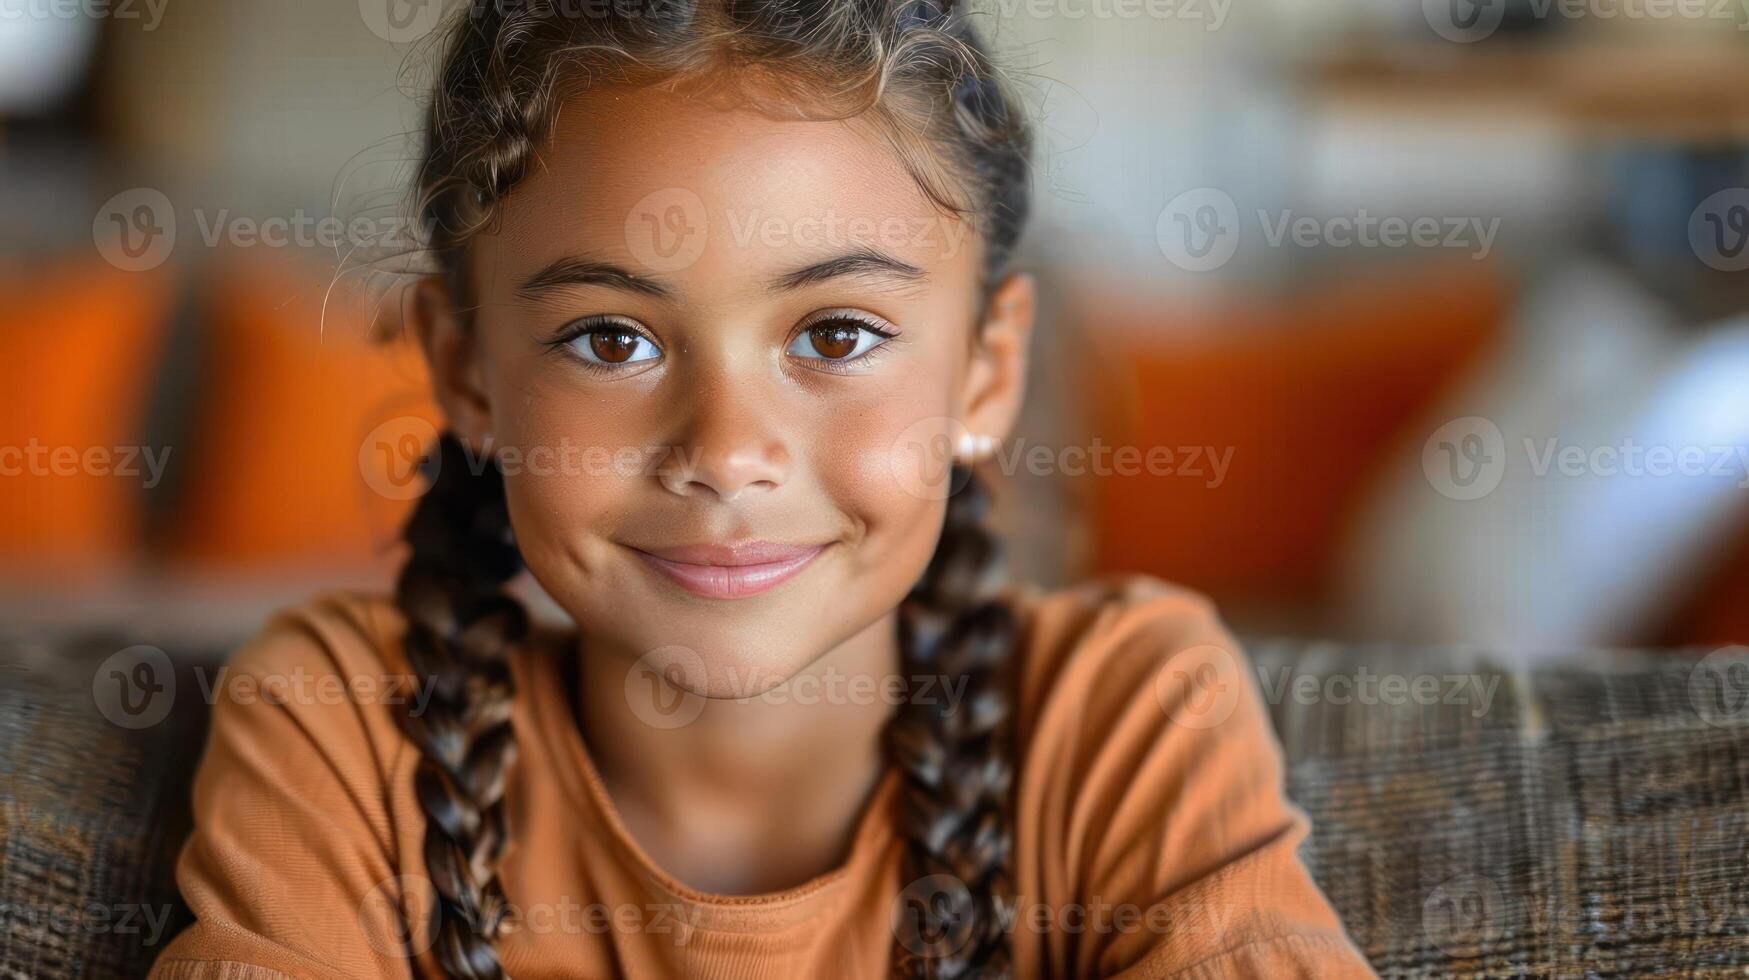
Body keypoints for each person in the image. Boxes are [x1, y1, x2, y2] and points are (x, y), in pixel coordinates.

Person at [149, 0, 1374, 975]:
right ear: (467, 373)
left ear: (987, 372)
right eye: (610, 339)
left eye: (836, 334)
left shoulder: (1127, 717)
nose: (727, 450)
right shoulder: (346, 720)